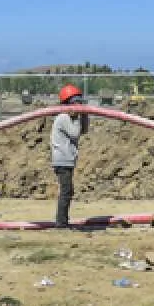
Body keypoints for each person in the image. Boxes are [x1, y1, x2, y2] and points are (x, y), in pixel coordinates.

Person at [50, 84, 89, 228]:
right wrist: (78, 117)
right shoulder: (63, 117)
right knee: (66, 191)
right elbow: (75, 133)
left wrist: (84, 115)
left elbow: (83, 131)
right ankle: (61, 223)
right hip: (62, 160)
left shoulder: (70, 118)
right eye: (75, 103)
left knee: (68, 190)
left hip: (67, 159)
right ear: (67, 103)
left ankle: (63, 220)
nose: (78, 105)